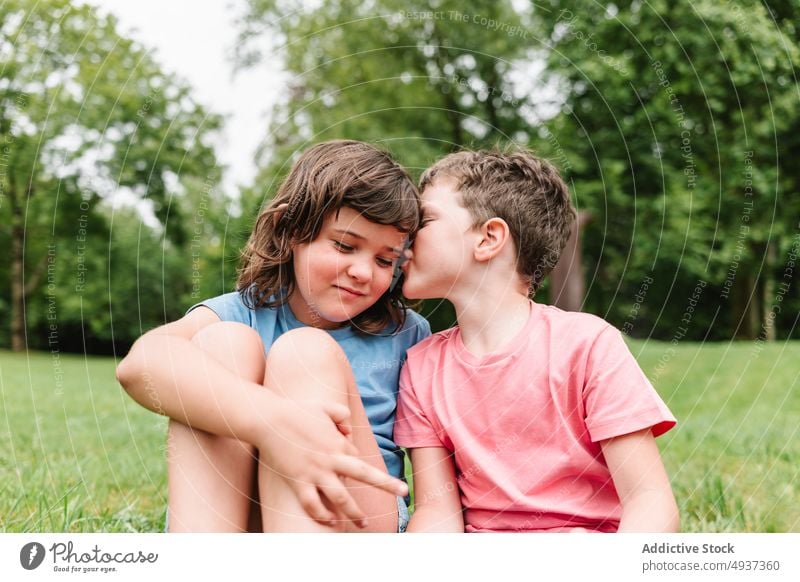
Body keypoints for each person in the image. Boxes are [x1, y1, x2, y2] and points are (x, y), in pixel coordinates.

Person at [116, 140, 430, 533]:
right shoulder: (242, 311)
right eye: (345, 246)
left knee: (306, 352)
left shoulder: (407, 333)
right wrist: (274, 425)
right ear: (291, 230)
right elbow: (140, 364)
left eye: (385, 260)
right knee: (221, 345)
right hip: (246, 514)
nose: (364, 272)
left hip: (359, 518)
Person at [394, 149, 679, 533]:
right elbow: (437, 513)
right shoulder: (421, 366)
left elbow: (650, 503)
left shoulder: (588, 345)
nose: (403, 239)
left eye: (424, 221)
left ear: (489, 238)